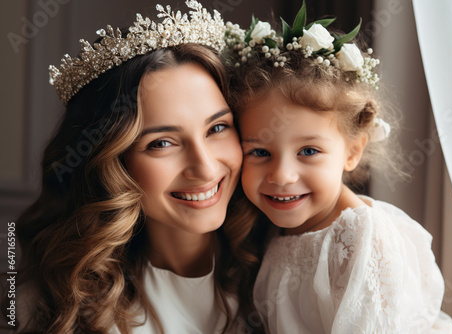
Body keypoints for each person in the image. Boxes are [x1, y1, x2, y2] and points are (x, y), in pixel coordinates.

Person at [1, 2, 261, 333]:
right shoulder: (51, 299)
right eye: (162, 143)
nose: (206, 168)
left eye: (217, 128)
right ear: (113, 161)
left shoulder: (289, 266)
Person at [225, 3, 452, 333]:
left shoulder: (361, 237)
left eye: (308, 150)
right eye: (260, 152)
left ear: (352, 151)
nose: (281, 175)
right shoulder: (275, 229)